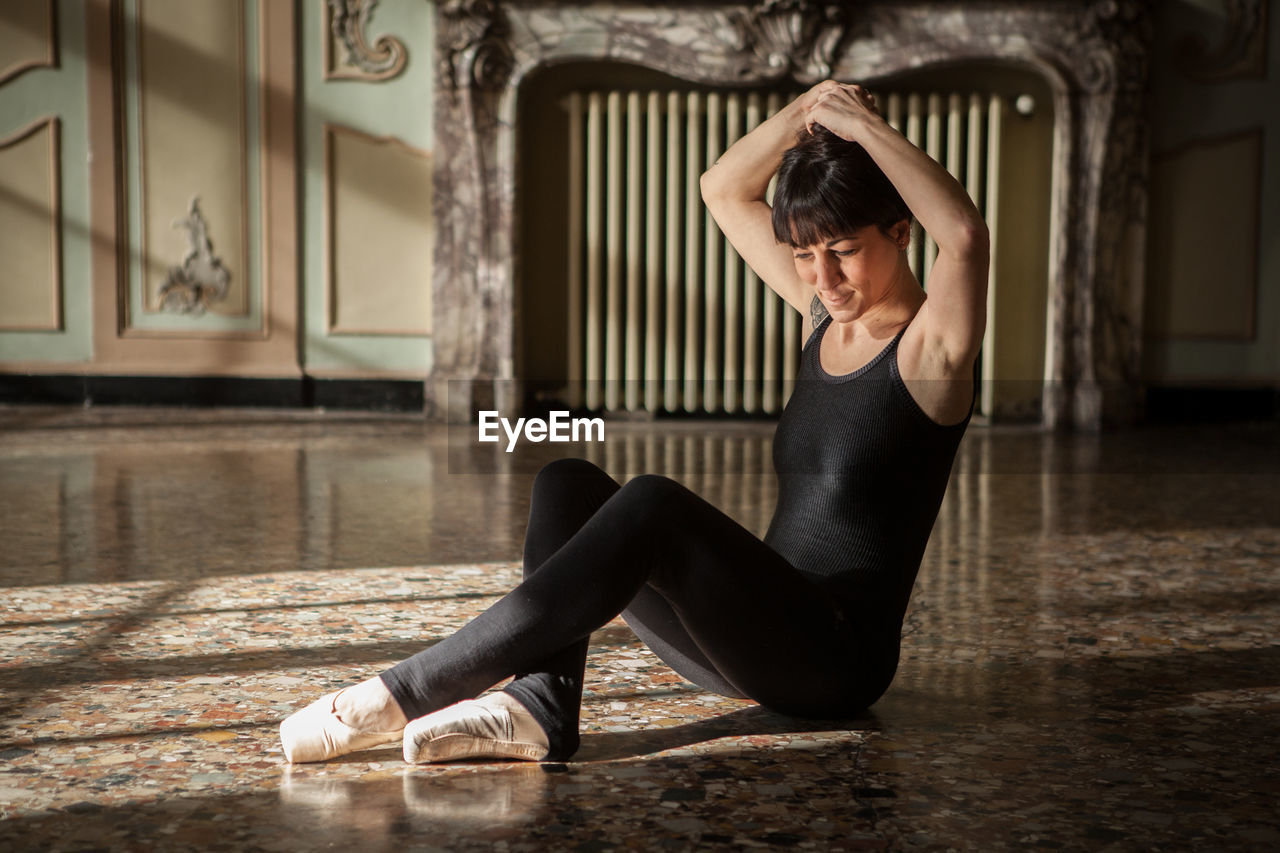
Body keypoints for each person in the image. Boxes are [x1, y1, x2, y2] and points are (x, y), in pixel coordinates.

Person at [278, 80, 988, 764]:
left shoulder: (934, 347)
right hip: (745, 641)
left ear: (900, 231)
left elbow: (962, 233)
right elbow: (722, 187)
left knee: (653, 503)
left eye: (842, 252)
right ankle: (543, 704)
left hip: (834, 662)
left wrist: (863, 127)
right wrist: (813, 108)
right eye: (803, 255)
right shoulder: (819, 318)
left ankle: (401, 692)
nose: (822, 278)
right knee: (566, 479)